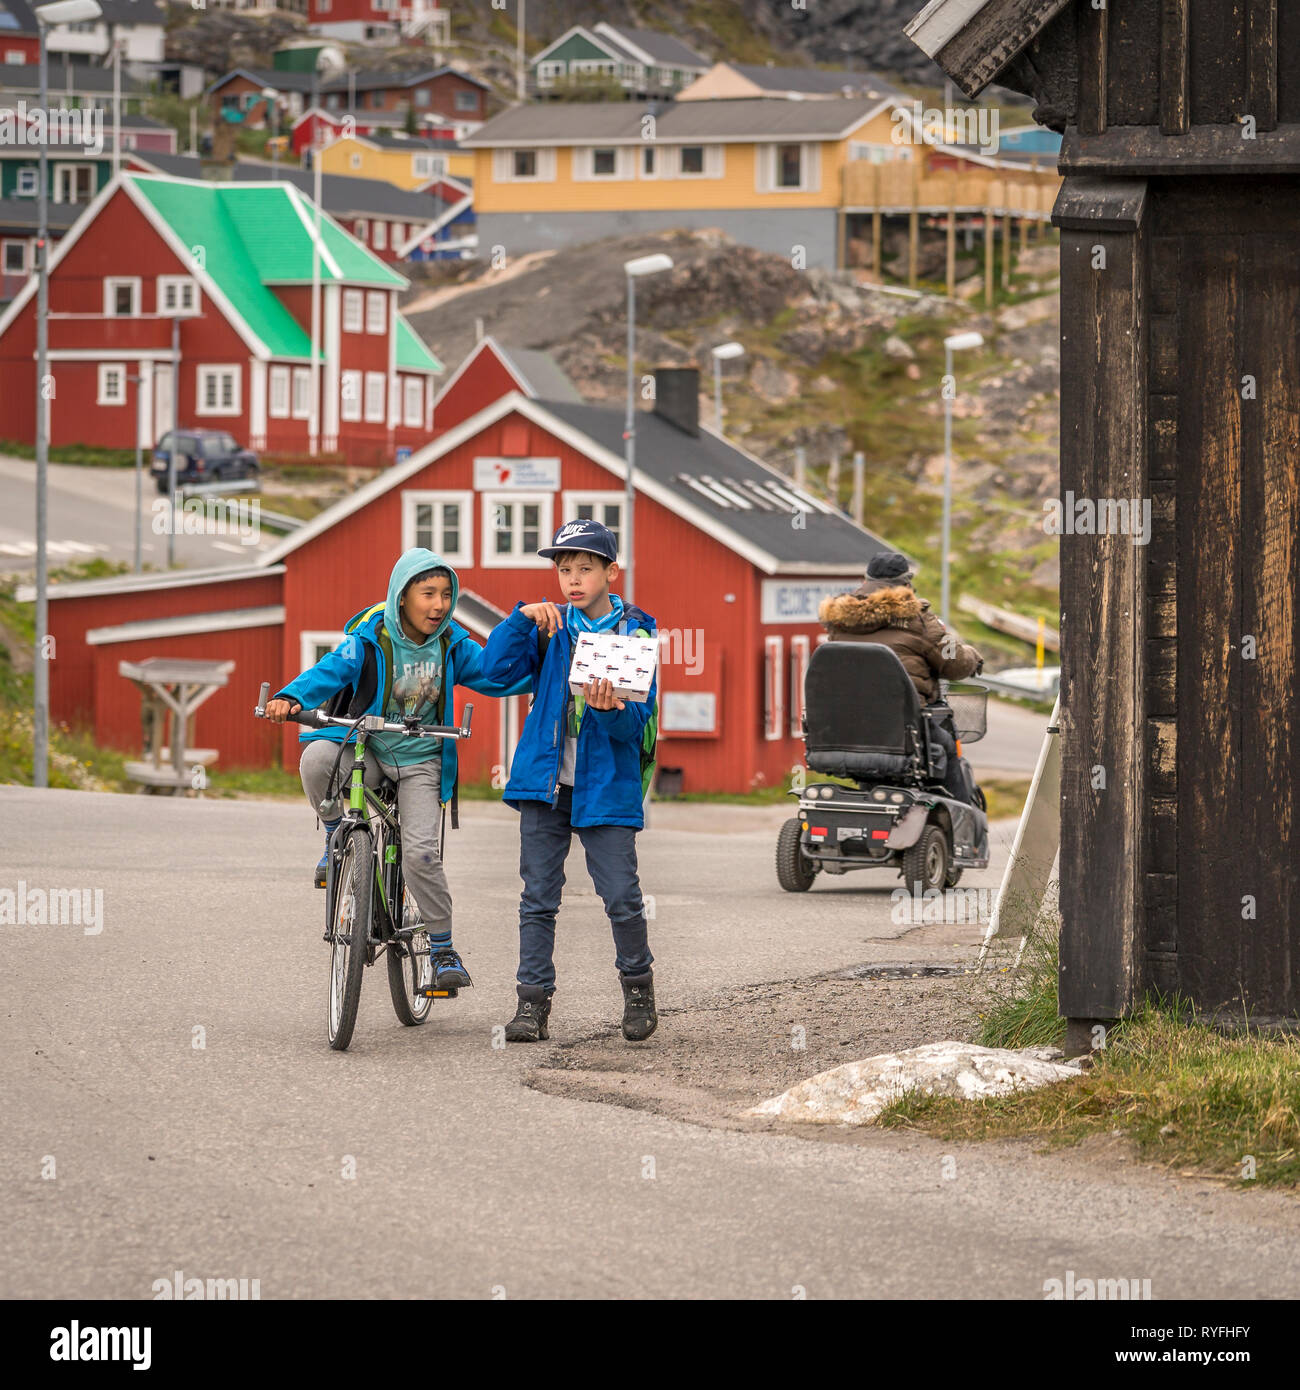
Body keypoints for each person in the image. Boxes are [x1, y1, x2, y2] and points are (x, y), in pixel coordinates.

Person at [263, 548, 529, 990]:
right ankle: (335, 836)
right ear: (402, 596)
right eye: (428, 594)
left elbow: (494, 675)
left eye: (446, 594)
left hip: (421, 758)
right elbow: (332, 670)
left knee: (422, 854)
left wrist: (544, 673)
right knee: (316, 760)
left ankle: (442, 951)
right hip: (365, 748)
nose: (439, 604)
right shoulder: (370, 637)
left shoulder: (451, 643)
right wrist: (291, 698)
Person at [478, 519, 658, 1044]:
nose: (573, 579)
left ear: (611, 572)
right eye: (564, 570)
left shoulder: (637, 633)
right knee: (538, 897)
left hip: (608, 786)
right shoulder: (549, 629)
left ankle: (639, 991)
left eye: (585, 568)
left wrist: (606, 710)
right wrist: (519, 621)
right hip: (544, 783)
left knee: (622, 895)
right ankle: (531, 1006)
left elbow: (635, 729)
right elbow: (493, 672)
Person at [818, 551, 983, 804]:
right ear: (906, 584)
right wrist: (973, 657)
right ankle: (962, 829)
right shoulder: (919, 619)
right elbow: (955, 662)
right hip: (905, 731)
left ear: (866, 581)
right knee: (947, 747)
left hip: (847, 730)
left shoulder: (840, 622)